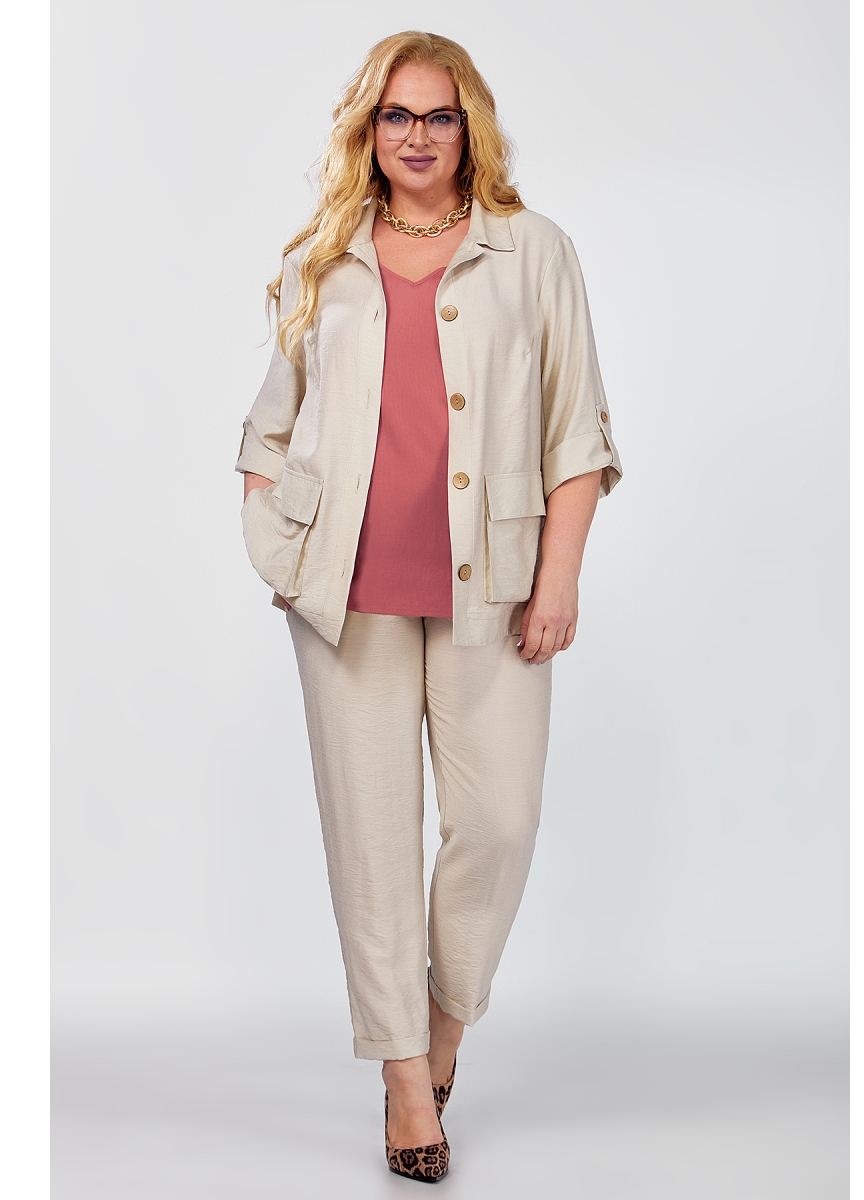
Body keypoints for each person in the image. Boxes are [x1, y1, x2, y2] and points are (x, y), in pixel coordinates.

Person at [236, 30, 622, 1183]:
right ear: (369, 130)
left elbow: (578, 434)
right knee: (371, 848)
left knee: (499, 822)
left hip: (492, 588)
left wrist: (559, 577)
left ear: (469, 127)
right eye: (395, 116)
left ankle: (446, 1025)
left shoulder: (533, 251)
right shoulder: (320, 260)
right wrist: (279, 548)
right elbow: (266, 432)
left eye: (437, 116)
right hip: (343, 598)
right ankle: (408, 1081)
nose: (416, 136)